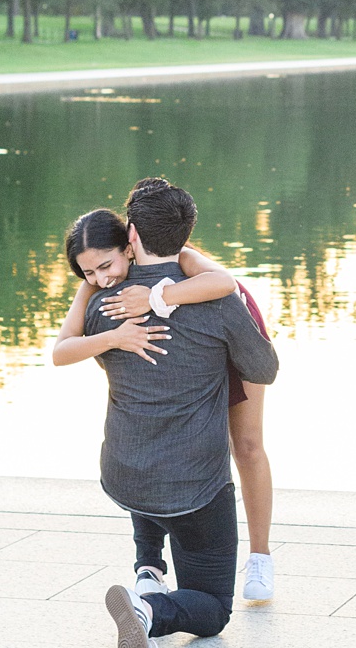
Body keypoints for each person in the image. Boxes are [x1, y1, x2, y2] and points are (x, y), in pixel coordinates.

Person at [50, 178, 279, 648]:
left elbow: (74, 352)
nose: (101, 275)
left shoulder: (97, 302)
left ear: (129, 237)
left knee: (149, 446)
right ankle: (147, 608)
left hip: (124, 472)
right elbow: (263, 368)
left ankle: (148, 567)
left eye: (105, 264)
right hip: (193, 484)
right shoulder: (215, 299)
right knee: (213, 608)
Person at [79, 219, 280, 604]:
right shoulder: (109, 272)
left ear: (132, 234)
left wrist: (159, 298)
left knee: (248, 445)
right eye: (93, 271)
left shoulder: (186, 259)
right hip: (180, 355)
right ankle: (150, 565)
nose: (100, 275)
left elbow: (225, 284)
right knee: (153, 427)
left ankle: (260, 555)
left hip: (226, 324)